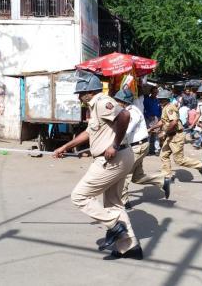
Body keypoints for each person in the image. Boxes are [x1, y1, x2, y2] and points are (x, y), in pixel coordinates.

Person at [53, 72, 142, 260]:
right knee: (114, 203)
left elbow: (125, 115)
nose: (79, 97)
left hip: (112, 159)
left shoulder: (102, 102)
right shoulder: (95, 107)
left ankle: (115, 227)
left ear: (89, 91)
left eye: (81, 93)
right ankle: (131, 247)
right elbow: (89, 132)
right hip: (120, 157)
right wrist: (65, 146)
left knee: (79, 196)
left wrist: (114, 145)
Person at [114, 89, 170, 210]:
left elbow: (126, 131)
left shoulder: (132, 112)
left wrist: (112, 143)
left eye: (118, 101)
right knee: (137, 177)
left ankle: (124, 202)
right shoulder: (130, 110)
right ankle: (162, 180)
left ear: (123, 102)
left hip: (137, 147)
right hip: (139, 146)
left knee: (123, 174)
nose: (116, 103)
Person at [148, 89, 202, 183]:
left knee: (179, 160)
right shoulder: (165, 107)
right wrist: (152, 128)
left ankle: (200, 166)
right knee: (164, 155)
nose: (159, 100)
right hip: (170, 136)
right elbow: (163, 121)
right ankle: (167, 176)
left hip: (176, 136)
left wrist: (164, 132)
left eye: (160, 99)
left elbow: (174, 122)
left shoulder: (169, 108)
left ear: (165, 99)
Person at [144, 87, 162, 155]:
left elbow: (160, 110)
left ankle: (157, 150)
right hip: (149, 119)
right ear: (151, 92)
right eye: (154, 92)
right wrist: (148, 116)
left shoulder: (158, 101)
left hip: (156, 119)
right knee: (149, 135)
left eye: (156, 92)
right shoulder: (146, 100)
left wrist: (159, 118)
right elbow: (144, 109)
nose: (155, 94)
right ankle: (147, 151)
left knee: (156, 135)